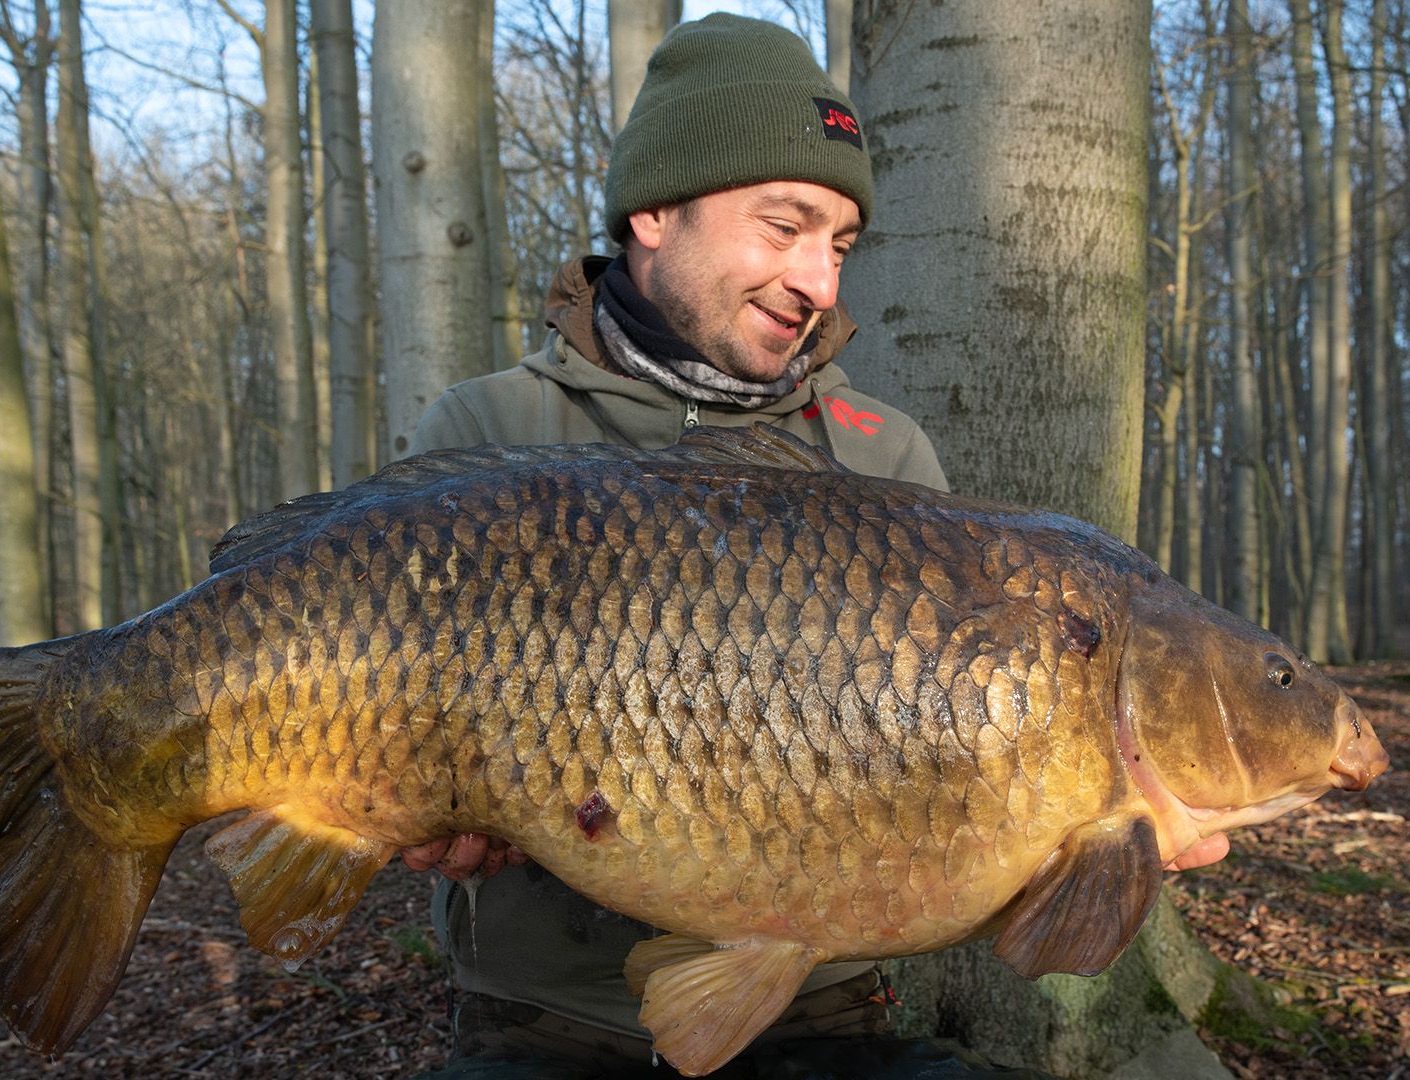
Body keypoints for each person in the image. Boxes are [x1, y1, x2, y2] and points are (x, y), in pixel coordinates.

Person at [400, 15, 1045, 1078]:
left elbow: (959, 792)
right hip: (545, 1021)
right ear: (655, 212)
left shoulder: (883, 459)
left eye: (840, 246)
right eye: (785, 228)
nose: (820, 283)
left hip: (821, 1014)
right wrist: (410, 811)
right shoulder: (487, 434)